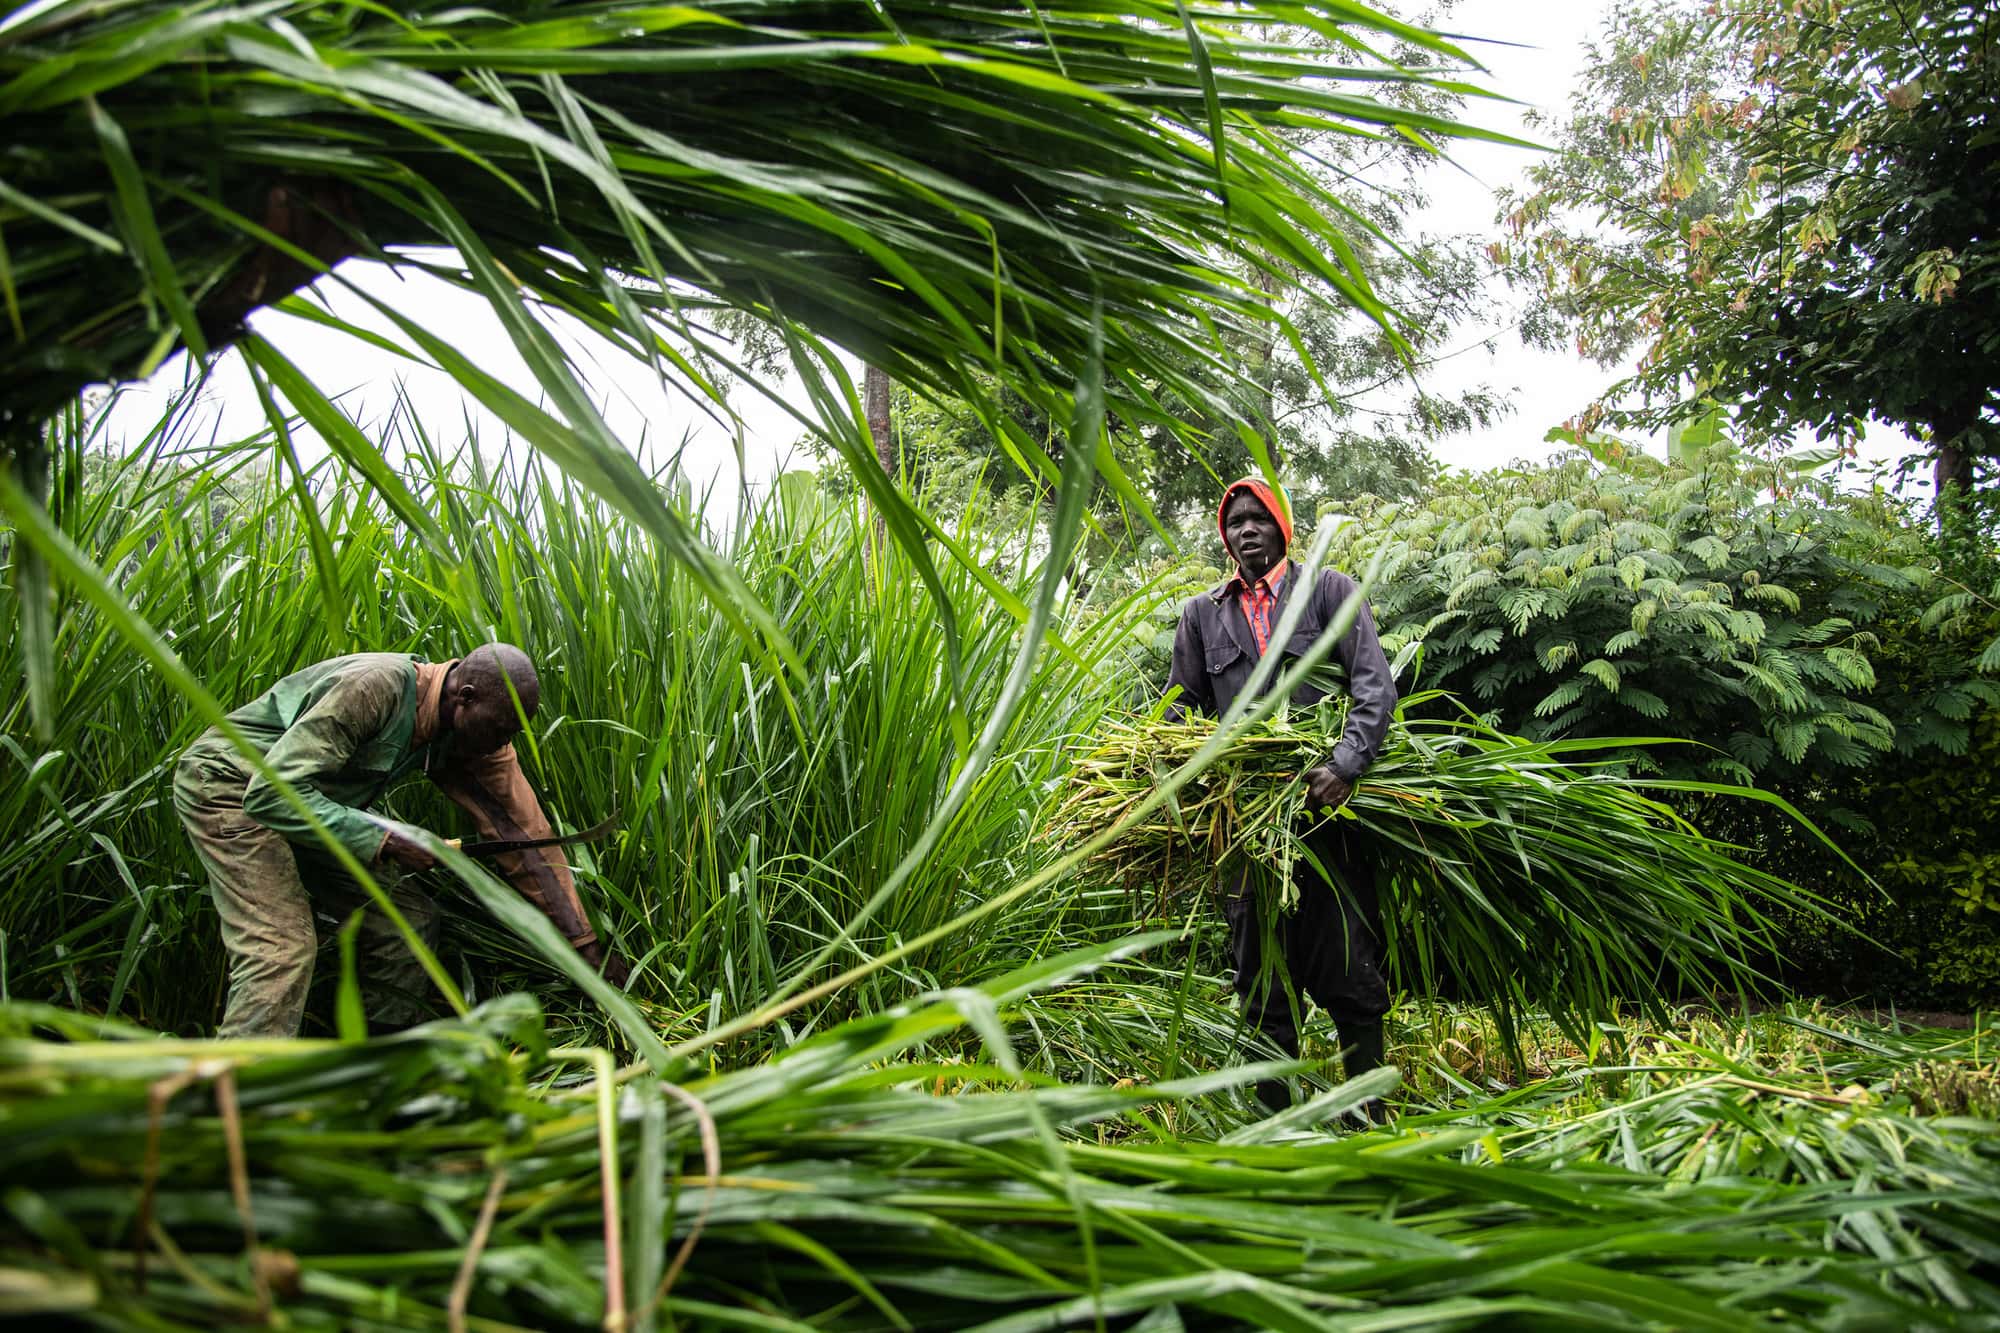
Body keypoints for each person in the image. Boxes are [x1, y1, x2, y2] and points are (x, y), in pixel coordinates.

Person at [172, 644, 626, 1038]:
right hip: (232, 789)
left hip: (310, 804)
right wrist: (385, 839)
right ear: (465, 698)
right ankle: (233, 1102)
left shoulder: (472, 735)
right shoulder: (375, 689)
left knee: (406, 920)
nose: (502, 743)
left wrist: (584, 947)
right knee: (282, 949)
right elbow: (271, 794)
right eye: (501, 729)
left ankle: (383, 1070)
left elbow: (525, 838)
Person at [1165, 478, 1398, 1110]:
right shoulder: (1201, 615)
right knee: (1261, 984)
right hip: (1245, 831)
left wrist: (1345, 764)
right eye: (1235, 521)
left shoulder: (1328, 592)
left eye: (1259, 519)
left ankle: (1367, 1119)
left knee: (1349, 972)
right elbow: (1176, 716)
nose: (1246, 530)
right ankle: (1279, 1132)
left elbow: (1374, 689)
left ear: (1282, 528)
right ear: (1225, 536)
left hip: (1328, 824)